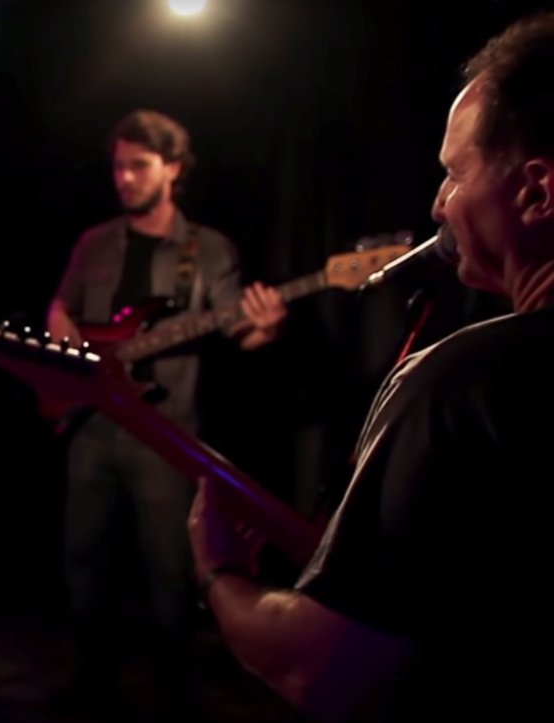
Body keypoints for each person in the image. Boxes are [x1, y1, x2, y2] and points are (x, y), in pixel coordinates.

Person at [189, 12, 554, 722]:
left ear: (537, 193)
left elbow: (323, 670)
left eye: (453, 173)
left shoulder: (457, 383)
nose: (438, 203)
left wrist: (217, 571)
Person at [46, 109, 288, 716]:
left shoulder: (207, 248)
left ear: (173, 168)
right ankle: (89, 677)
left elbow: (239, 329)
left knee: (170, 567)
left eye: (139, 165)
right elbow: (60, 307)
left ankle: (172, 687)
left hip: (165, 431)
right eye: (118, 166)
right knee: (82, 557)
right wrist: (68, 343)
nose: (124, 178)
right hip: (91, 426)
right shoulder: (94, 242)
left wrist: (264, 328)